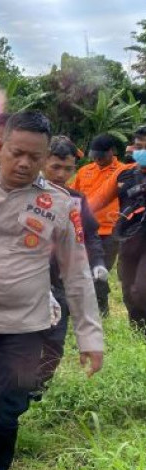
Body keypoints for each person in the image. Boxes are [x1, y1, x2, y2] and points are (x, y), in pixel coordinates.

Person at [0, 111, 104, 470]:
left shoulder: (60, 205)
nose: (25, 163)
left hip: (23, 327)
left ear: (45, 155)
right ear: (1, 147)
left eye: (35, 157)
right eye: (17, 153)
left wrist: (90, 336)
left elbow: (77, 273)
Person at [38, 136, 106, 389]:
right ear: (43, 161)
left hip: (61, 281)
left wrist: (98, 261)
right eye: (56, 167)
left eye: (68, 169)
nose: (61, 174)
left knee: (54, 343)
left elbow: (90, 234)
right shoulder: (25, 194)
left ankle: (37, 389)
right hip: (27, 281)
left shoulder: (75, 199)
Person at [88, 125, 146, 331]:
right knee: (129, 293)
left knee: (141, 291)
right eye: (139, 146)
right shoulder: (124, 174)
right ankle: (138, 336)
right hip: (128, 239)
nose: (141, 152)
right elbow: (97, 200)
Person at [70, 133, 124, 316]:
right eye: (94, 156)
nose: (97, 159)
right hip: (85, 229)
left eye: (101, 155)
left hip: (110, 230)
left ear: (112, 152)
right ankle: (95, 305)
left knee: (100, 269)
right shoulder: (85, 171)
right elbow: (74, 197)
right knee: (84, 268)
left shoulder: (123, 172)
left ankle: (101, 308)